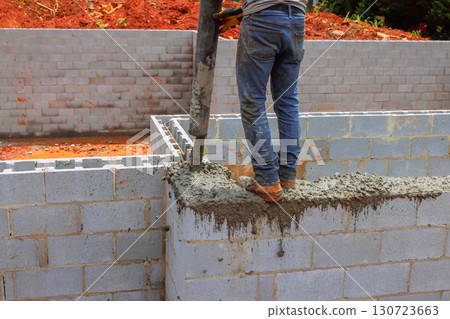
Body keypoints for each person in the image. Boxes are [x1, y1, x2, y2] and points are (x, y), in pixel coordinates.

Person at [215, 1, 307, 202]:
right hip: (297, 20)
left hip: (262, 22)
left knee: (253, 103)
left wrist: (250, 9)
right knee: (288, 101)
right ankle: (287, 176)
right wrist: (242, 13)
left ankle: (267, 180)